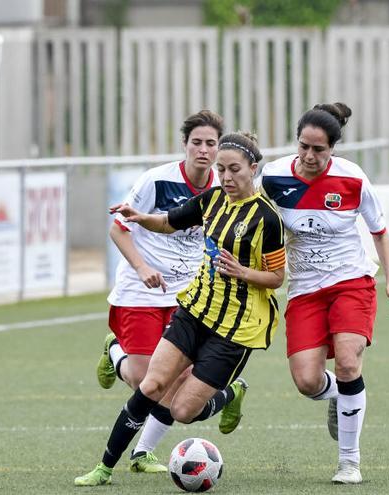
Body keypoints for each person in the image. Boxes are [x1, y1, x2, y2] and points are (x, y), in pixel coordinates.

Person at [74, 132, 285, 487]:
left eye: (234, 170)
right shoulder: (212, 199)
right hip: (194, 310)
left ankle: (231, 393)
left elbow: (277, 276)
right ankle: (104, 467)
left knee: (183, 411)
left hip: (235, 328)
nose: (226, 177)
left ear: (253, 168)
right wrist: (140, 218)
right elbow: (170, 221)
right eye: (221, 169)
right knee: (151, 384)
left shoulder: (267, 218)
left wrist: (243, 272)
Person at [260, 102, 389, 485]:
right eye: (303, 146)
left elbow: (380, 233)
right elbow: (253, 217)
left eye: (318, 150)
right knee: (307, 382)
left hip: (351, 282)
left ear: (333, 149)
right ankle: (339, 397)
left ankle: (349, 461)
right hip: (305, 289)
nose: (309, 156)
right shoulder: (273, 177)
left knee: (347, 362)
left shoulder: (353, 179)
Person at [95, 110, 223, 473]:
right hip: (142, 291)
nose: (203, 150)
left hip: (187, 294)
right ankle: (115, 351)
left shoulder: (220, 187)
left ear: (218, 148)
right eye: (196, 142)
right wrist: (142, 267)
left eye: (210, 143)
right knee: (141, 378)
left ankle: (143, 453)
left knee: (175, 382)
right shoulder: (156, 181)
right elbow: (118, 230)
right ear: (184, 145)